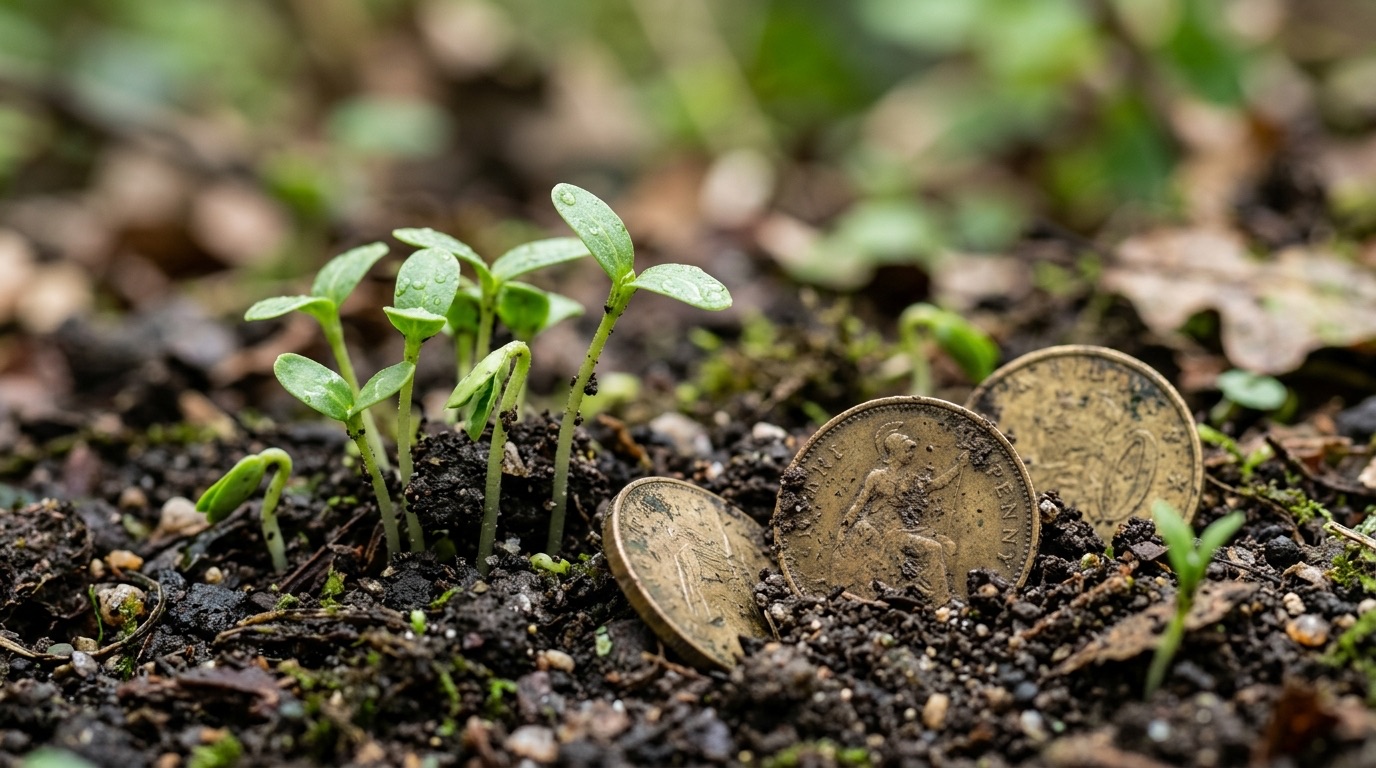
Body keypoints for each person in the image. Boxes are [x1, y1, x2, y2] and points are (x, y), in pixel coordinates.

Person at [832, 422, 965, 603]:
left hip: (899, 532)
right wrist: (843, 528)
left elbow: (935, 485)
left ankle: (937, 599)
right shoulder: (876, 477)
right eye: (907, 450)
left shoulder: (910, 479)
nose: (911, 454)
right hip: (879, 532)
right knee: (935, 548)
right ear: (895, 451)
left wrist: (958, 468)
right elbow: (858, 505)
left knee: (944, 545)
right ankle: (940, 601)